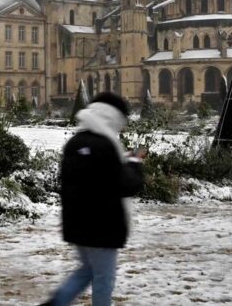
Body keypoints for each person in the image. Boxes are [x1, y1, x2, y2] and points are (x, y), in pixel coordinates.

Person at [42, 92, 144, 306]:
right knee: (103, 279)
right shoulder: (107, 146)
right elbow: (126, 185)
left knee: (87, 270)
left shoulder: (75, 142)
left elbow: (79, 181)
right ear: (113, 118)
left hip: (77, 223)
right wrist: (133, 163)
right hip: (103, 226)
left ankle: (57, 302)